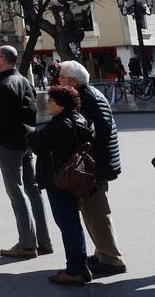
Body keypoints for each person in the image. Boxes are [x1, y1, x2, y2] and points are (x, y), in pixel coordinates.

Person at [58, 60, 126, 275]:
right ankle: (102, 253)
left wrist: (79, 130)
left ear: (74, 81)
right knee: (92, 212)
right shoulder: (87, 94)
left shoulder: (88, 97)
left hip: (95, 166)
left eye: (61, 77)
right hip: (96, 163)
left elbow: (101, 128)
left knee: (97, 212)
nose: (58, 80)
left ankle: (112, 259)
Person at [0, 45, 52, 259]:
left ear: (3, 60)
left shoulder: (5, 84)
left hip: (9, 145)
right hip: (26, 142)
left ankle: (26, 244)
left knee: (16, 192)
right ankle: (44, 241)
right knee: (33, 191)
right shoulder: (23, 80)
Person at [27, 85, 95, 286]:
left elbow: (38, 145)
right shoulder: (79, 119)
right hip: (75, 176)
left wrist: (30, 132)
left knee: (67, 224)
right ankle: (80, 266)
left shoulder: (60, 124)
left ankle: (74, 270)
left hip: (59, 178)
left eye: (51, 100)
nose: (48, 103)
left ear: (61, 104)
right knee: (73, 223)